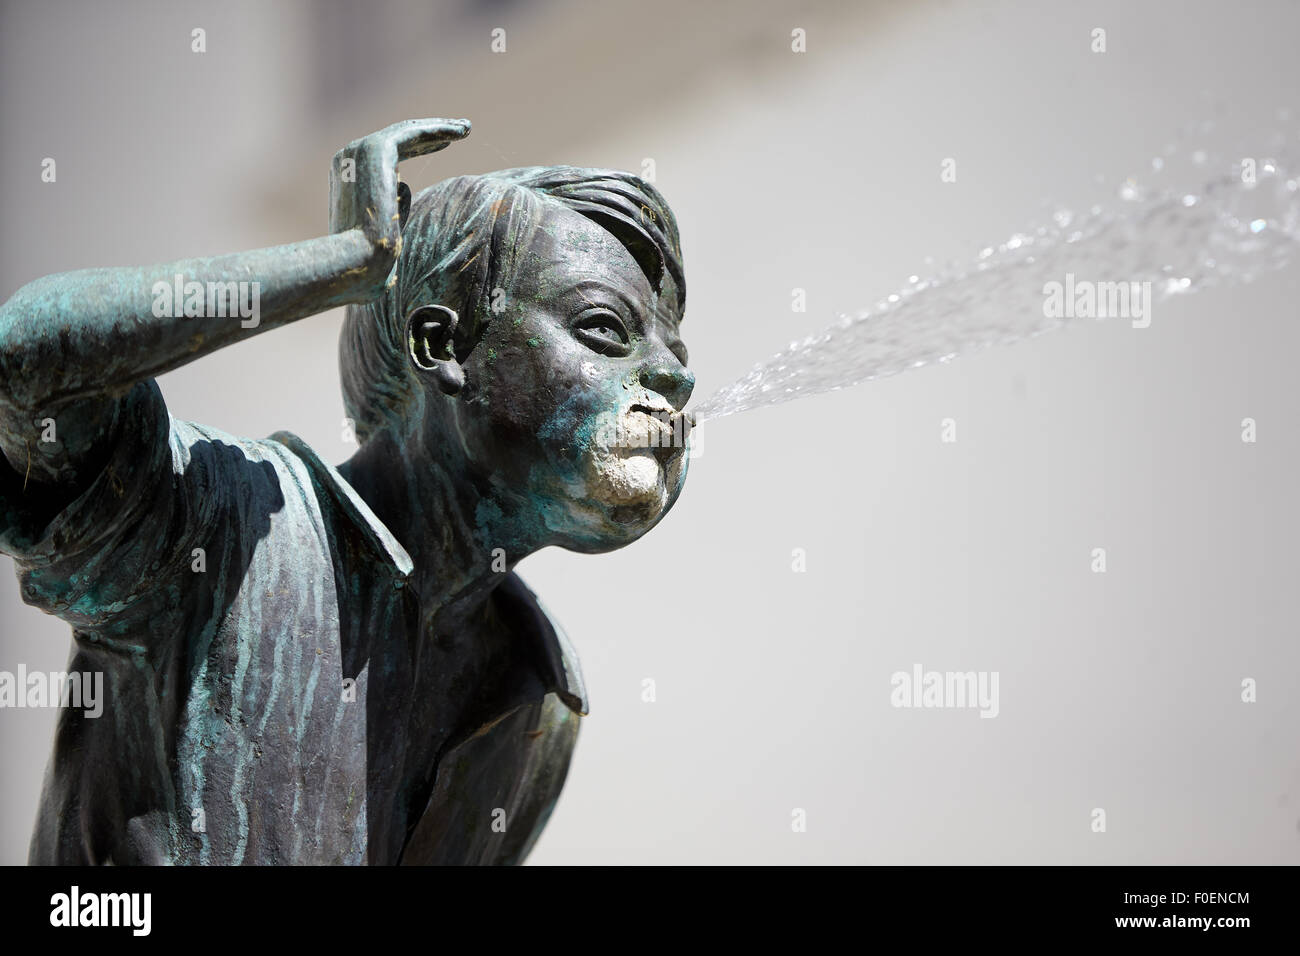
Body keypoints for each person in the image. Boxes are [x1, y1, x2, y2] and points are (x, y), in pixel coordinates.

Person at [0, 119, 694, 864]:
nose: (676, 379)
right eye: (602, 328)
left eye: (675, 354)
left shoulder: (537, 697)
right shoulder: (218, 524)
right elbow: (24, 365)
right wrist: (345, 266)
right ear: (439, 346)